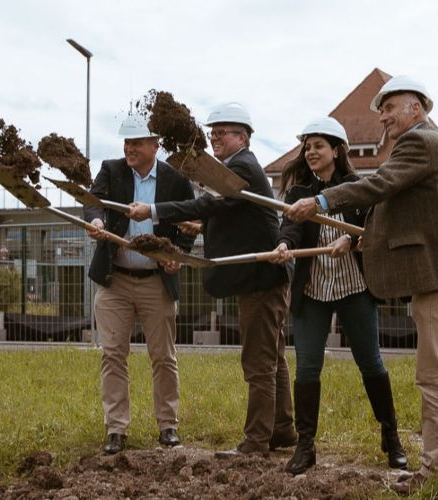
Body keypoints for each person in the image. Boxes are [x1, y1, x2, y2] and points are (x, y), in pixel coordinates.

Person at [284, 76, 438, 493]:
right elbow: (397, 207)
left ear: (416, 108)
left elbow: (378, 186)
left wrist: (322, 201)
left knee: (433, 375)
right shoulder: (431, 145)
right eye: (381, 108)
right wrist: (360, 237)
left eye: (389, 106)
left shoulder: (419, 143)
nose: (382, 115)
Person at [130, 102, 296, 457]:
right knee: (274, 357)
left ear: (243, 136)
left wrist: (154, 210)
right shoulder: (238, 168)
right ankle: (281, 430)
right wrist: (204, 225)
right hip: (265, 278)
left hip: (261, 279)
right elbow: (232, 213)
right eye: (212, 132)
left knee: (258, 362)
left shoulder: (241, 168)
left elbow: (208, 204)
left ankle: (255, 442)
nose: (214, 138)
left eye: (222, 132)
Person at [269, 117, 407, 475]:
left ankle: (391, 435)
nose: (311, 152)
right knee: (308, 367)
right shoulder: (300, 194)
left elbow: (373, 229)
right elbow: (291, 226)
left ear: (336, 150)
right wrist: (284, 244)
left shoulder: (358, 187)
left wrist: (354, 240)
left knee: (371, 362)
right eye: (307, 146)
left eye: (318, 145)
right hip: (313, 290)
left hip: (354, 288)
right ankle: (305, 445)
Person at [84, 113, 196, 455]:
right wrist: (97, 219)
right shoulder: (111, 170)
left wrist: (178, 254)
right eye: (126, 142)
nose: (128, 148)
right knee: (113, 354)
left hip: (155, 282)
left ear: (154, 145)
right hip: (114, 280)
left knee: (163, 356)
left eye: (136, 142)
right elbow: (93, 202)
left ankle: (168, 425)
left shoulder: (176, 180)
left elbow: (187, 222)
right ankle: (116, 429)